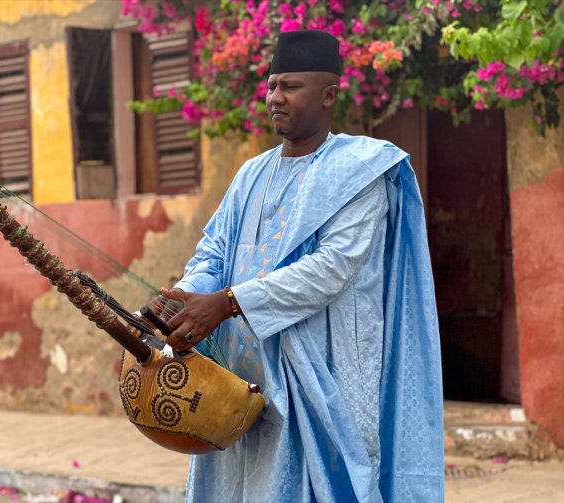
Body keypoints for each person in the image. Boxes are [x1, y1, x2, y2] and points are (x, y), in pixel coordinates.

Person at [160, 30, 444, 502]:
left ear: (329, 94)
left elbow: (333, 267)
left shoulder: (359, 170)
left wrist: (229, 303)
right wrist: (185, 297)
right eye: (272, 86)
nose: (275, 98)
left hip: (322, 374)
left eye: (290, 86)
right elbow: (214, 252)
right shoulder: (251, 174)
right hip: (239, 379)